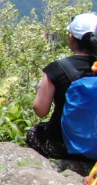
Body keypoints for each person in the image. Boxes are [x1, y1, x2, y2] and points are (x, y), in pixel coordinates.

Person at [26, 12, 97, 159]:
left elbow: (40, 110)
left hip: (63, 145)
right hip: (94, 146)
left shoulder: (56, 69)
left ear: (71, 38)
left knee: (33, 133)